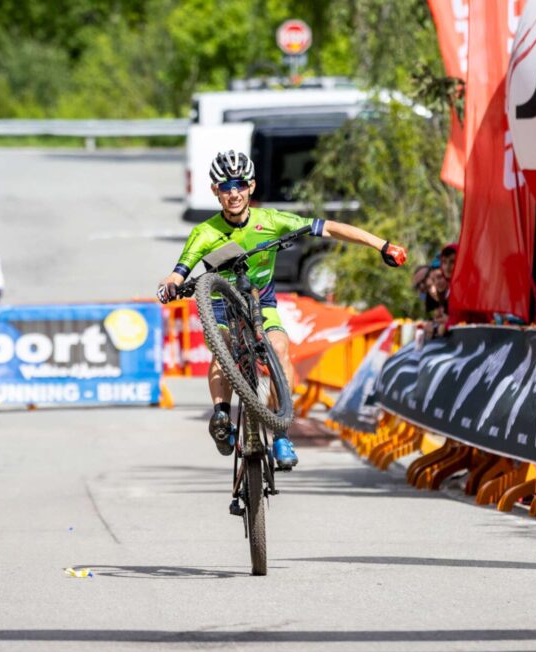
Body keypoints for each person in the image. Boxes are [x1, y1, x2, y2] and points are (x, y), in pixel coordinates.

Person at [157, 150, 407, 469]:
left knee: (278, 347)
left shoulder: (271, 221)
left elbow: (328, 227)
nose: (233, 192)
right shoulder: (204, 232)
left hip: (261, 302)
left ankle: (281, 434)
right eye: (225, 186)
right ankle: (221, 416)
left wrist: (381, 245)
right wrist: (171, 283)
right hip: (221, 305)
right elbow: (179, 270)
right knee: (225, 352)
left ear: (252, 187)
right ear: (215, 191)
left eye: (240, 184)